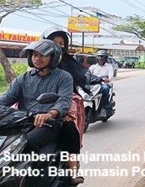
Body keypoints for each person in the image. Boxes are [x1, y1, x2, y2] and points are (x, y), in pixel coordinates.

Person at [0, 40, 73, 153]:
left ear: (53, 58)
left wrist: (49, 114)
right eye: (35, 55)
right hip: (22, 121)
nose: (37, 58)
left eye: (43, 55)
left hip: (48, 123)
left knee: (24, 143)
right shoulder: (23, 78)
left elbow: (64, 101)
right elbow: (7, 98)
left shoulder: (64, 77)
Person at [41, 27, 87, 185]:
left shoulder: (65, 74)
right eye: (54, 42)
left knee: (68, 129)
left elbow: (67, 97)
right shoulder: (28, 74)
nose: (58, 46)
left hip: (62, 107)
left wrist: (59, 111)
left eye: (61, 43)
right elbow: (12, 96)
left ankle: (72, 169)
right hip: (34, 111)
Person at [89, 50, 114, 118]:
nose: (101, 59)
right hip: (93, 84)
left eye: (102, 57)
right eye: (99, 57)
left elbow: (111, 76)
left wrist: (107, 80)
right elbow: (87, 74)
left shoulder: (109, 67)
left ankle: (103, 108)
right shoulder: (93, 67)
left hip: (103, 84)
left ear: (105, 58)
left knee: (105, 88)